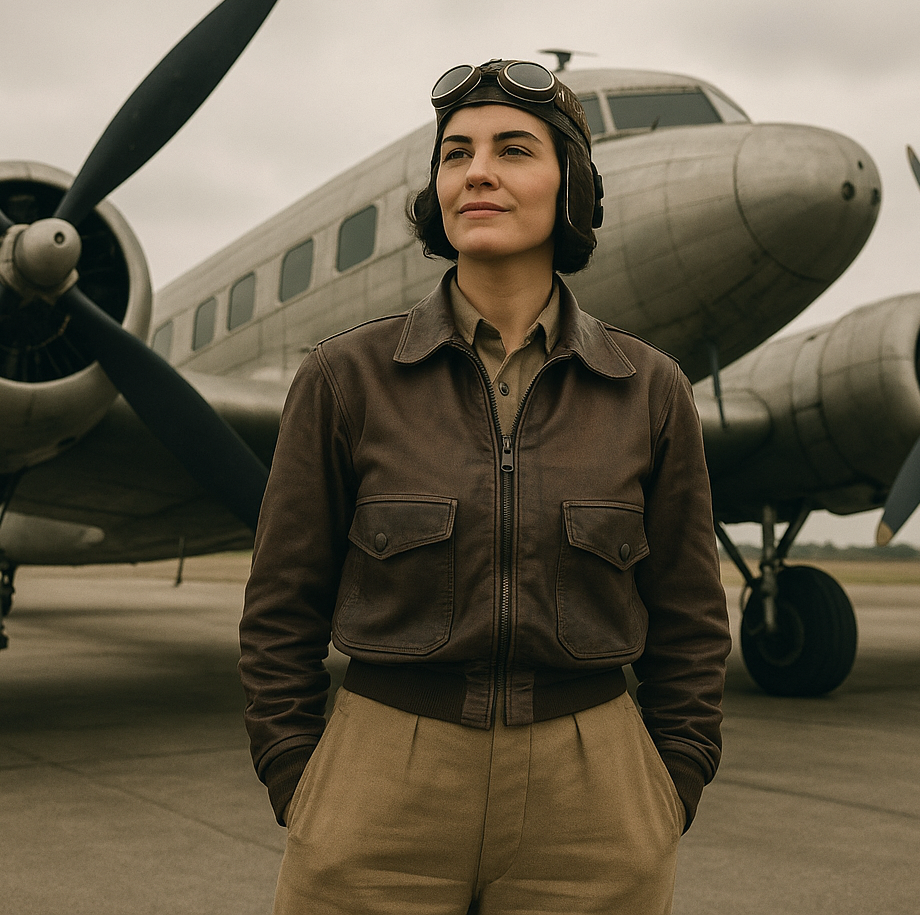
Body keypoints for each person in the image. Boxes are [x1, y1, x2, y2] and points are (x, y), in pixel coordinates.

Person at [239, 59, 731, 914]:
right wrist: (302, 779)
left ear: (570, 187)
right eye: (456, 153)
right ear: (436, 192)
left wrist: (669, 784)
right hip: (378, 780)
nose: (478, 172)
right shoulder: (344, 377)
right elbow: (282, 604)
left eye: (514, 150)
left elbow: (690, 616)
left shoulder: (651, 388)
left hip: (596, 796)